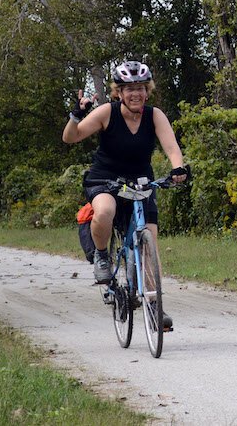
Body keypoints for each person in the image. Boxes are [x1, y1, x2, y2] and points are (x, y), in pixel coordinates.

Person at [62, 60, 187, 329]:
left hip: (141, 181)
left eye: (141, 88)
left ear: (148, 90)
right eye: (129, 88)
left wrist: (178, 167)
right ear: (118, 91)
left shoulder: (154, 115)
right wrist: (75, 116)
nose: (135, 93)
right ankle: (102, 256)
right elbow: (71, 138)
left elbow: (171, 147)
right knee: (105, 211)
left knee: (150, 244)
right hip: (105, 179)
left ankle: (155, 306)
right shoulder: (107, 112)